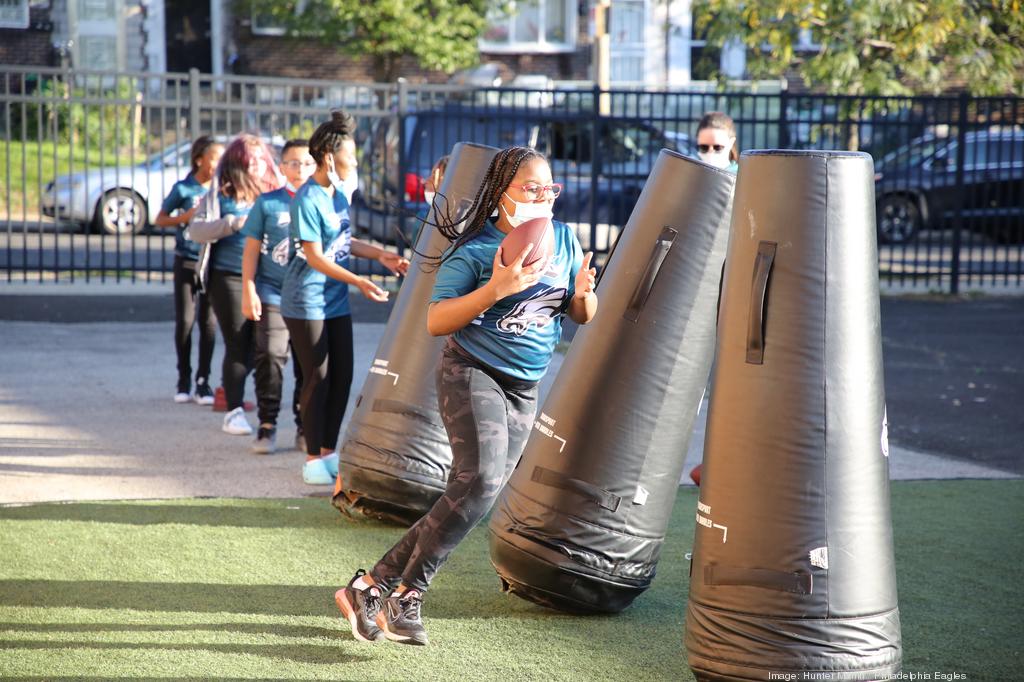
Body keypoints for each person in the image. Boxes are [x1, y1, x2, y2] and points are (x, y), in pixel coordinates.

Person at [333, 146, 598, 646]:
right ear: (502, 195)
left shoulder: (563, 238)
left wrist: (584, 292)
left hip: (525, 384)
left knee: (478, 490)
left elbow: (581, 316)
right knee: (479, 480)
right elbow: (436, 320)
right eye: (531, 188)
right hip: (472, 371)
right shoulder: (475, 250)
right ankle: (407, 595)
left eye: (550, 188)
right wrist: (497, 288)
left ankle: (369, 585)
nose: (545, 197)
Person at [280, 110, 410, 485]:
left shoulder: (336, 195)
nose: (354, 163)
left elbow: (343, 241)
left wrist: (380, 255)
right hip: (306, 302)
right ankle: (311, 459)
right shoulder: (306, 199)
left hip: (334, 299)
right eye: (349, 157)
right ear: (327, 158)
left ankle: (328, 452)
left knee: (342, 377)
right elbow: (316, 255)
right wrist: (360, 280)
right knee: (317, 379)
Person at [188, 134, 282, 437]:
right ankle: (234, 410)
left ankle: (243, 397)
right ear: (237, 160)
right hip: (228, 275)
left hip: (265, 276)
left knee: (265, 345)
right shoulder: (221, 191)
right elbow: (196, 231)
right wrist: (232, 223)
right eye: (248, 157)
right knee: (238, 342)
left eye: (259, 157)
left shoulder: (274, 189)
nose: (255, 163)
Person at [240, 139, 316, 454]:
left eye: (307, 163)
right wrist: (248, 288)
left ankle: (304, 424)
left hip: (308, 295)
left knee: (306, 364)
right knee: (270, 355)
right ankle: (267, 424)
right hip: (272, 290)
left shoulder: (321, 201)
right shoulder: (268, 203)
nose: (301, 169)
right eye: (294, 163)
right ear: (282, 167)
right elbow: (252, 249)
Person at [155, 136, 224, 405]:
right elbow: (160, 219)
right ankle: (183, 379)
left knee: (208, 323)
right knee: (185, 321)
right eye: (214, 158)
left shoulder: (222, 189)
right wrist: (187, 217)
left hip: (211, 263)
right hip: (186, 260)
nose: (218, 164)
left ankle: (203, 381)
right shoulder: (184, 189)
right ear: (199, 160)